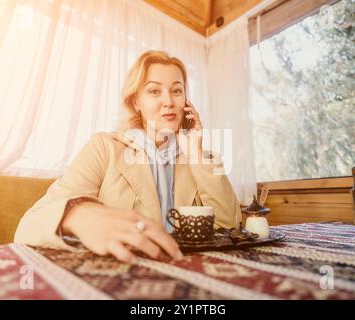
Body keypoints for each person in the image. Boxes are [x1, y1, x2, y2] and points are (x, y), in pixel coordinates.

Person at [14, 50, 241, 263]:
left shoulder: (197, 158)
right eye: (154, 91)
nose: (169, 101)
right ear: (136, 102)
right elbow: (28, 227)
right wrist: (79, 215)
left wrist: (196, 154)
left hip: (187, 271)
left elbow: (230, 225)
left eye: (177, 90)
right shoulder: (105, 147)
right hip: (122, 272)